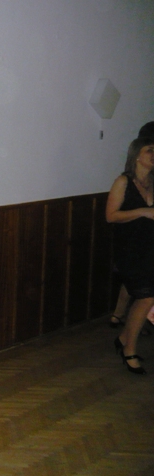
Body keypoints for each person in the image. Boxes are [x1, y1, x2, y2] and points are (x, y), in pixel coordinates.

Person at [106, 136, 154, 375]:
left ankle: (124, 338)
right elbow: (111, 216)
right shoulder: (123, 181)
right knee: (146, 297)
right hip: (130, 251)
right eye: (150, 150)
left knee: (147, 298)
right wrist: (143, 211)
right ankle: (129, 350)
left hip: (150, 249)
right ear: (136, 155)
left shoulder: (153, 182)